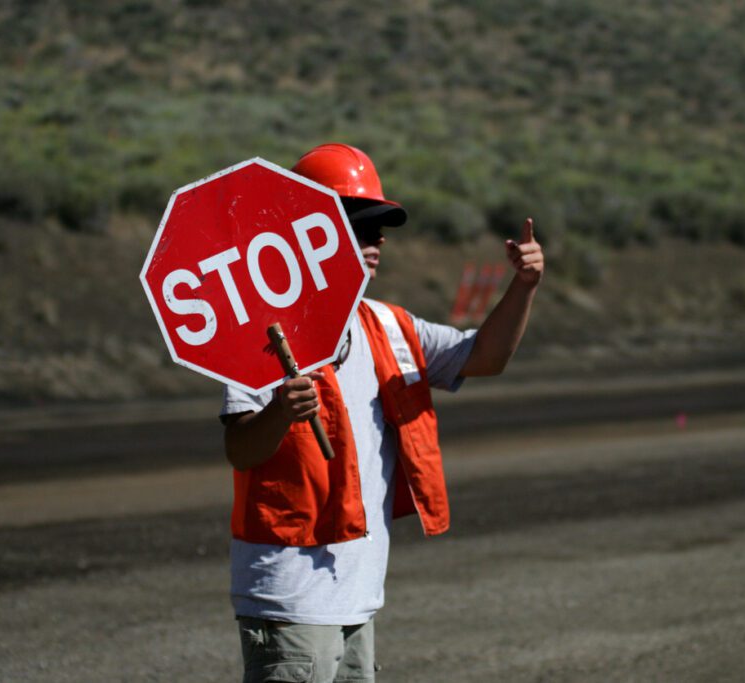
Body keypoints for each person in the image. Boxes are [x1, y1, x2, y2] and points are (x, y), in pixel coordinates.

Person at [220, 143, 544, 683]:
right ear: (307, 232)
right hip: (289, 596)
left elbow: (486, 357)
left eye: (380, 232)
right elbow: (240, 450)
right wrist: (279, 412)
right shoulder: (263, 333)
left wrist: (524, 286)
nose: (377, 244)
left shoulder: (388, 326)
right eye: (361, 228)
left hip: (358, 596)